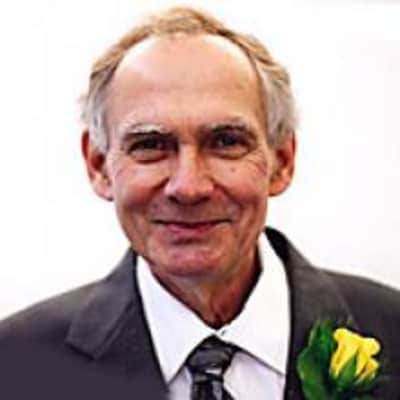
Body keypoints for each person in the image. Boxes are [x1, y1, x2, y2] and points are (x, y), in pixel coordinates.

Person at [0, 6, 399, 400]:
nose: (188, 187)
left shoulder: (391, 331)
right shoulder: (15, 365)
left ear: (282, 161)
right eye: (150, 145)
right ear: (99, 165)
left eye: (226, 142)